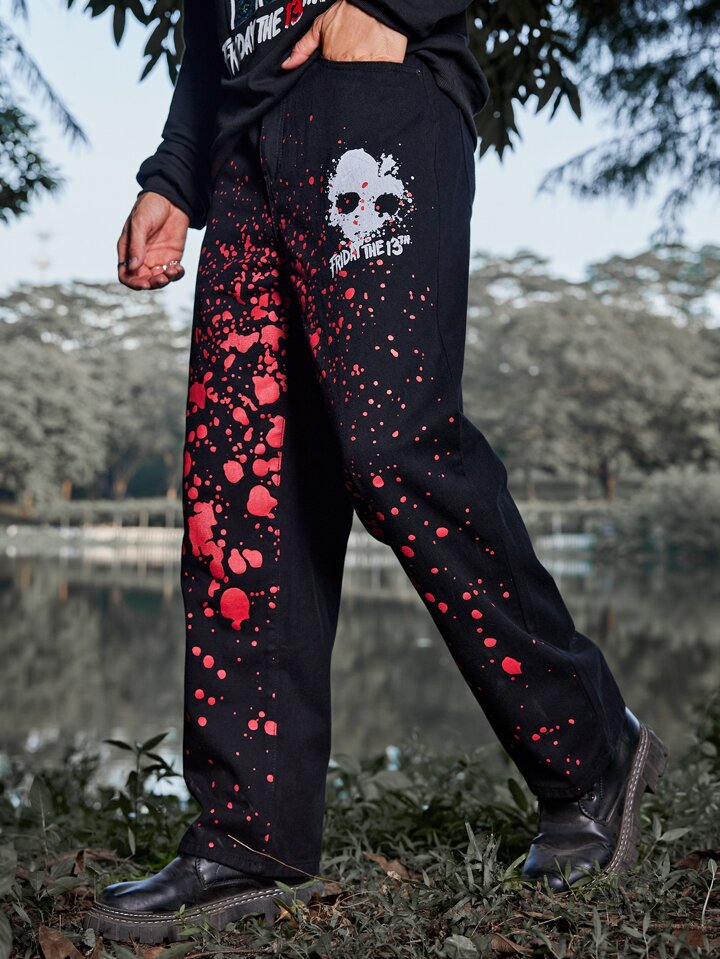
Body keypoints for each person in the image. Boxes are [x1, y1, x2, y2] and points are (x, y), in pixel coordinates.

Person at [86, 0, 668, 944]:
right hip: (240, 153)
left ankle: (591, 749)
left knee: (394, 447)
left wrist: (392, 9)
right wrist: (175, 175)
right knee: (240, 496)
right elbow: (206, 26)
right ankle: (251, 833)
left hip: (368, 99)